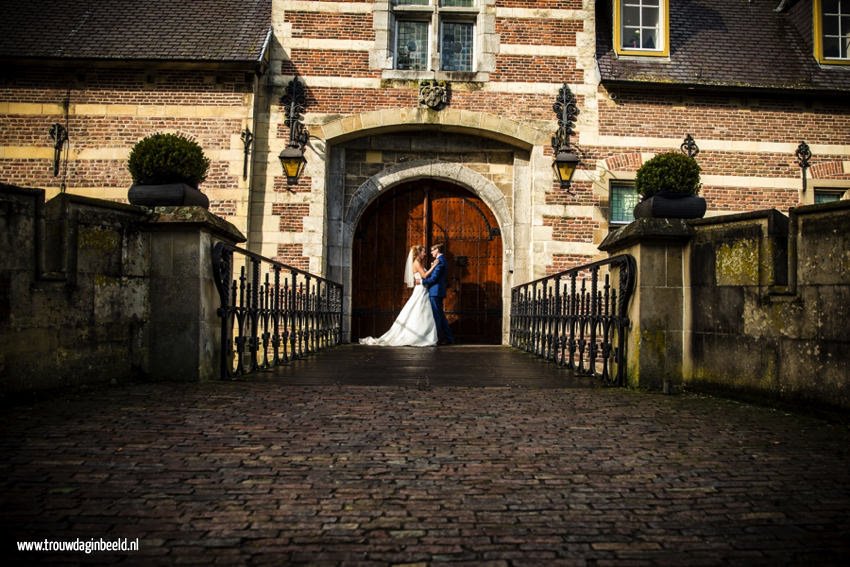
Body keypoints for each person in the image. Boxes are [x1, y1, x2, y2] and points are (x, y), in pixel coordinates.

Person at [359, 245, 438, 347]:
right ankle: (418, 336)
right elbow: (424, 275)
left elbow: (423, 276)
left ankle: (423, 335)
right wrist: (434, 266)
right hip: (420, 290)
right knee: (418, 310)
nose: (425, 253)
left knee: (419, 311)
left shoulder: (419, 263)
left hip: (422, 289)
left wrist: (430, 268)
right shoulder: (417, 263)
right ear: (418, 253)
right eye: (423, 252)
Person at [421, 243, 455, 345]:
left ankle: (441, 338)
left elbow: (434, 278)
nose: (431, 253)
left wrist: (422, 282)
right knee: (440, 315)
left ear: (437, 250)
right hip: (437, 291)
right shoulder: (441, 260)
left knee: (437, 316)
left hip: (435, 292)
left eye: (432, 250)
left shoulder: (440, 261)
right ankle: (448, 338)